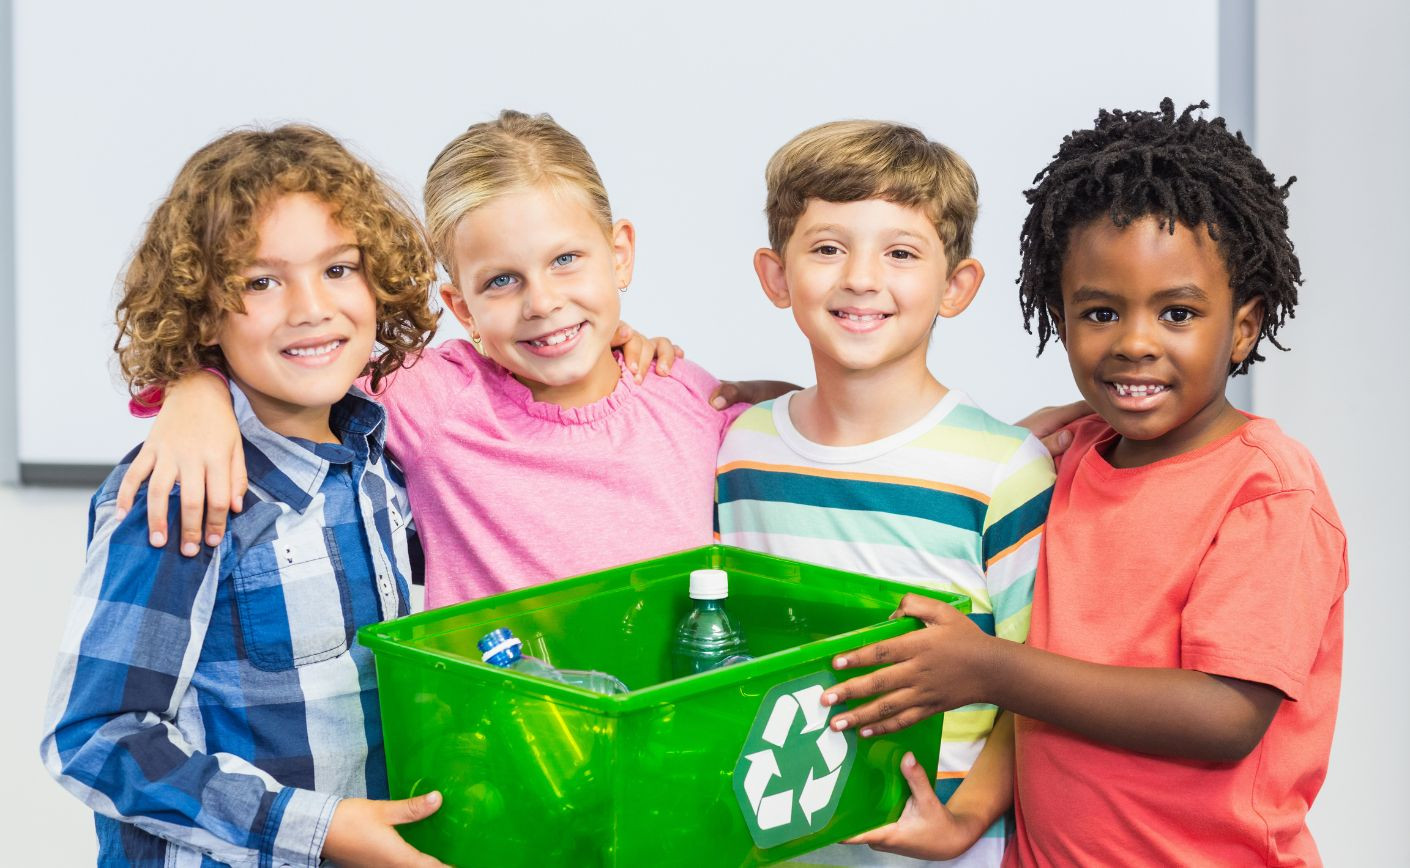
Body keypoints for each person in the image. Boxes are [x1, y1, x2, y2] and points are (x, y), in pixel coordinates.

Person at [820, 100, 1347, 866]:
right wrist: (756, 396)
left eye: (1177, 313)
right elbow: (911, 434)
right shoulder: (1068, 455)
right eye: (1100, 312)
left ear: (1243, 325)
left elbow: (1225, 714)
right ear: (1058, 319)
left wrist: (991, 669)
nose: (1135, 343)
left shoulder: (1267, 493)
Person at [121, 110, 754, 607]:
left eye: (566, 260)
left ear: (619, 255)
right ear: (461, 305)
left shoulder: (690, 399)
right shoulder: (435, 397)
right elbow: (290, 365)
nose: (542, 302)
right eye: (501, 281)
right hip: (491, 757)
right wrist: (196, 390)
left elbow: (806, 428)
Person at [40, 126, 450, 866]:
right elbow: (95, 737)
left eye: (339, 269)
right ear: (202, 312)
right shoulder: (183, 488)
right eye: (260, 282)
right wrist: (316, 827)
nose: (309, 308)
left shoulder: (379, 463)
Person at [715, 120, 1055, 867]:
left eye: (900, 253)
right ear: (776, 276)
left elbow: (1039, 684)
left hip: (943, 849)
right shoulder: (740, 447)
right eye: (828, 248)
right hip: (773, 844)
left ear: (956, 286)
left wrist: (962, 821)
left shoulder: (1004, 469)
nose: (861, 278)